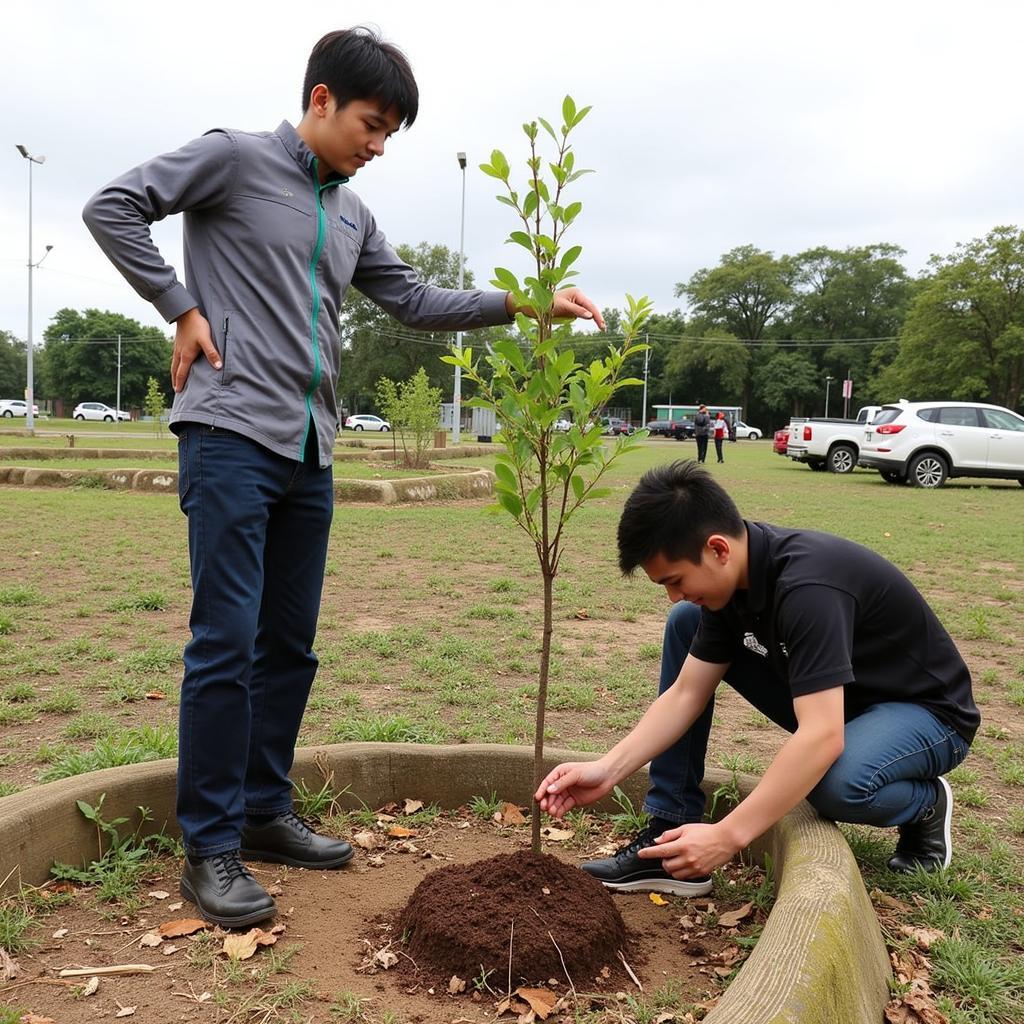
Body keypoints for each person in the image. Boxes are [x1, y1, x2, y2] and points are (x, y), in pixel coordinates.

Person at [83, 27, 605, 929]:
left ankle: (261, 810)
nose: (378, 145)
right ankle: (208, 850)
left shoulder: (352, 212)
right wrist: (181, 307)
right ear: (320, 99)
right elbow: (112, 206)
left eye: (392, 133)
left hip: (310, 447)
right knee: (224, 642)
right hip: (228, 431)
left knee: (289, 644)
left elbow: (410, 298)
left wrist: (525, 301)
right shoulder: (232, 160)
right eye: (371, 123)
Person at [536, 461, 977, 896]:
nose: (672, 594)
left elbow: (823, 737)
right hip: (841, 701)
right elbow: (687, 692)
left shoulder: (810, 589)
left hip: (928, 714)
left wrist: (728, 836)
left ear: (718, 550)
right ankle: (668, 831)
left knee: (833, 783)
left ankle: (925, 805)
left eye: (675, 579)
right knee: (686, 620)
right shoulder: (733, 584)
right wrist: (607, 769)